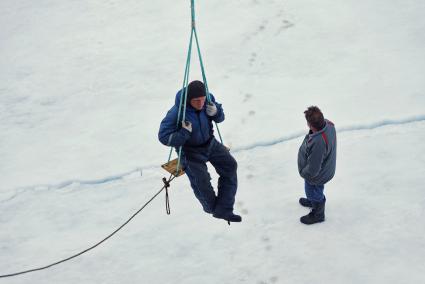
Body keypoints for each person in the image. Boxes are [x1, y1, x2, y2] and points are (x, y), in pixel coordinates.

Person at [158, 80, 241, 223]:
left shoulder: (208, 99)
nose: (201, 104)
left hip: (210, 143)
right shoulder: (177, 112)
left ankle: (225, 209)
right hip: (190, 151)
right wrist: (184, 133)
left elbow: (220, 118)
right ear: (189, 99)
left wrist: (216, 112)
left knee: (230, 166)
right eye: (197, 101)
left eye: (203, 99)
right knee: (201, 180)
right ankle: (213, 208)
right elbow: (163, 136)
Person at [297, 106, 337, 225]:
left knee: (312, 190)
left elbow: (313, 170)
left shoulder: (318, 142)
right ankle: (313, 200)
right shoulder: (329, 124)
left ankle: (318, 213)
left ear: (310, 125)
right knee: (316, 190)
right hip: (325, 168)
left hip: (317, 175)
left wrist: (304, 173)